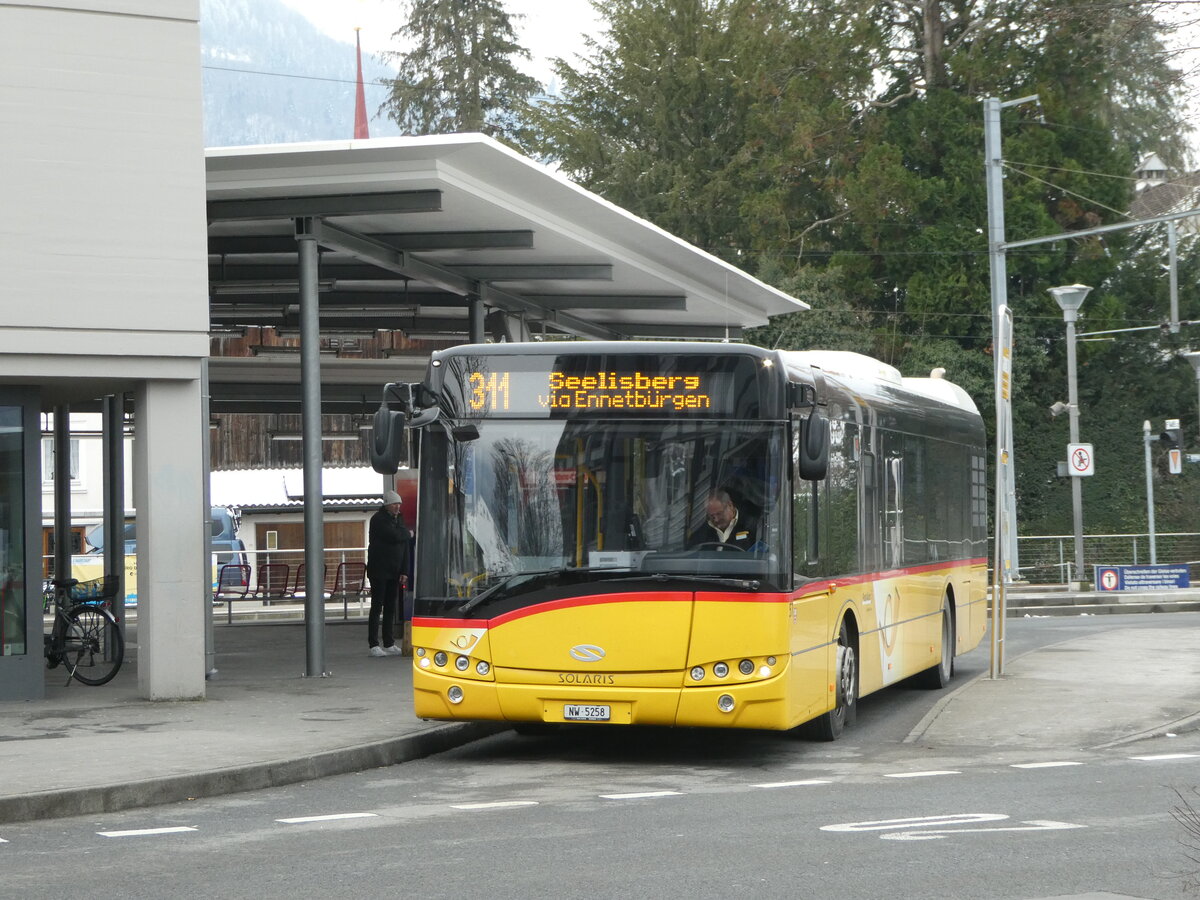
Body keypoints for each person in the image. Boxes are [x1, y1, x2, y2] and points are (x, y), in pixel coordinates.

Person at [366, 489, 410, 657]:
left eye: (399, 504)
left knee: (391, 607)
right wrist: (407, 533)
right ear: (387, 505)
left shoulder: (399, 519)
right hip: (379, 570)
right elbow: (394, 536)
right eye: (394, 504)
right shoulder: (378, 520)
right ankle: (373, 644)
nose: (397, 507)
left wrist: (404, 570)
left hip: (395, 570)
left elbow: (404, 544)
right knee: (377, 606)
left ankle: (389, 642)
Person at [686, 487, 759, 551]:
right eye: (712, 516)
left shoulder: (752, 525)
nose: (716, 519)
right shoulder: (703, 533)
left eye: (719, 514)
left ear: (730, 505)